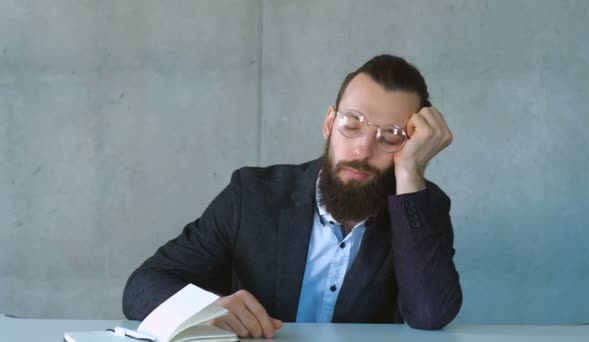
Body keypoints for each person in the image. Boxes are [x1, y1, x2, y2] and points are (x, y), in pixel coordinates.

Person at [122, 54, 462, 339]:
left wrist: (410, 171)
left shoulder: (418, 208)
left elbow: (430, 314)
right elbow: (142, 287)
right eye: (352, 123)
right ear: (329, 123)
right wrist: (207, 309)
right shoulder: (252, 194)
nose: (363, 147)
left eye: (390, 135)